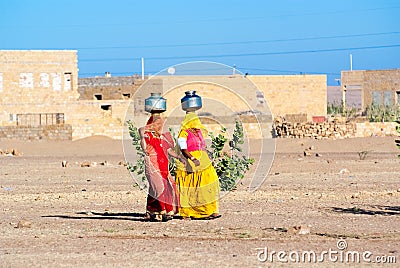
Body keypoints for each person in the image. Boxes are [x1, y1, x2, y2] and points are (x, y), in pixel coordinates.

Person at [175, 112, 221, 220]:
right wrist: (192, 158)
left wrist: (208, 158)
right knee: (194, 187)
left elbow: (202, 147)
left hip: (203, 161)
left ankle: (210, 209)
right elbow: (183, 149)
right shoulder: (184, 133)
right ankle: (195, 211)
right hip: (191, 161)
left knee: (209, 183)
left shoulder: (199, 132)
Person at [139, 114, 184, 222]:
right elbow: (140, 130)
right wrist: (151, 126)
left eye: (161, 124)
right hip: (152, 164)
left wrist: (179, 157)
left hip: (163, 165)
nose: (160, 126)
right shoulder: (147, 135)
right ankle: (161, 211)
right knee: (159, 187)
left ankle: (153, 211)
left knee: (164, 187)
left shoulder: (162, 137)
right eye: (158, 124)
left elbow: (168, 150)